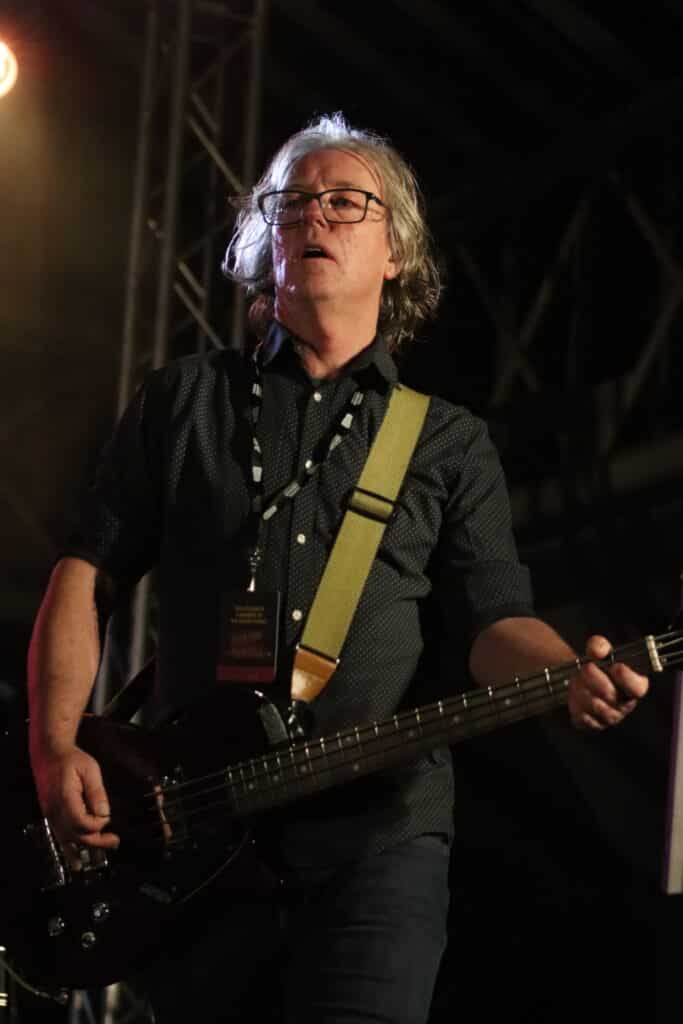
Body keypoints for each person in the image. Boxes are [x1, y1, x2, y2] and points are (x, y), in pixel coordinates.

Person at [27, 113, 649, 1024]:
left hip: (377, 842)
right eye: (291, 203)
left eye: (345, 201)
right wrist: (53, 746)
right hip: (192, 841)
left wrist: (566, 674)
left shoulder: (446, 440)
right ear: (266, 241)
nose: (313, 216)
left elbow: (493, 620)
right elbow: (88, 572)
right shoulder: (184, 398)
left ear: (395, 251)